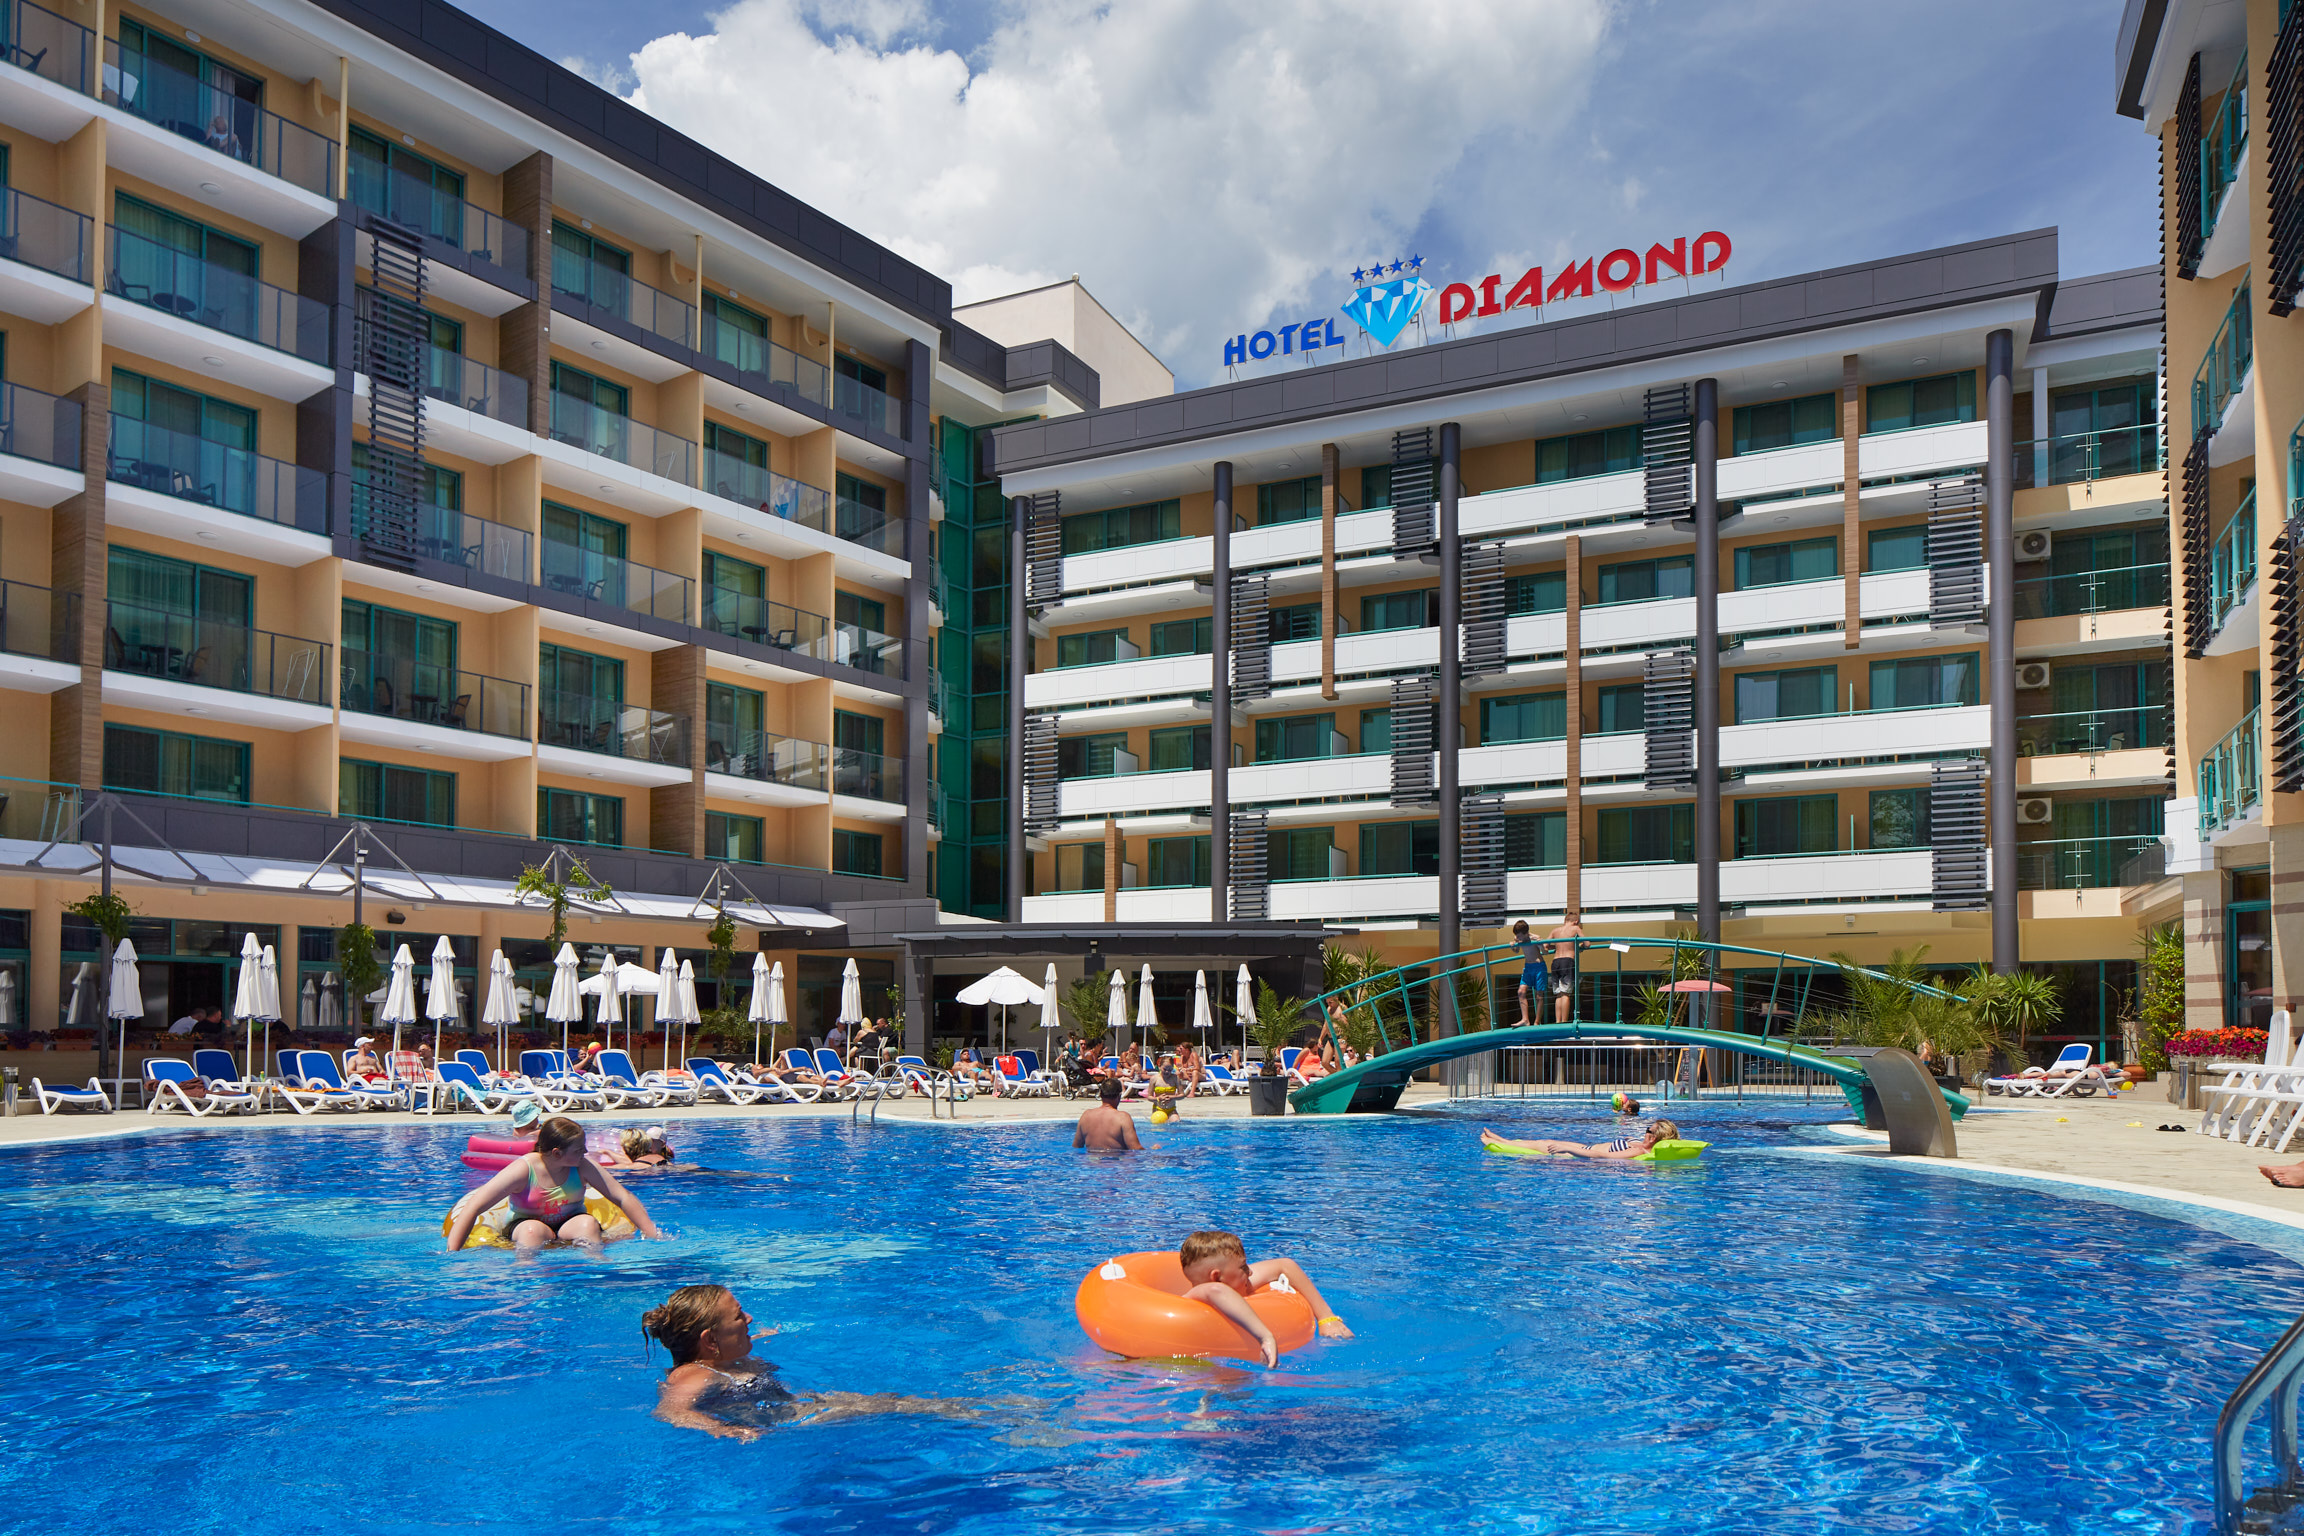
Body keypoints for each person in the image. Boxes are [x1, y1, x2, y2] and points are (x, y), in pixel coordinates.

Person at [643, 1285, 996, 1439]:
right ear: (710, 1341)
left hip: (800, 1407)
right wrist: (723, 1430)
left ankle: (990, 1412)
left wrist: (767, 1335)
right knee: (901, 1406)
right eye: (738, 1317)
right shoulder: (694, 1374)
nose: (749, 1319)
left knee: (898, 1403)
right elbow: (670, 1411)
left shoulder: (719, 1360)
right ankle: (997, 1417)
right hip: (792, 1422)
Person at [445, 1114, 662, 1251]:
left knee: (587, 1224)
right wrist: (451, 1256)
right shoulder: (524, 1169)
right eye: (579, 1149)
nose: (586, 1152)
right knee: (532, 1231)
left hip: (570, 1223)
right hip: (525, 1224)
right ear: (557, 1153)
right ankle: (526, 1278)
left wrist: (652, 1234)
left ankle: (595, 1269)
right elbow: (474, 1206)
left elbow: (622, 1197)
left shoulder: (582, 1165)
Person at [1176, 1230, 1353, 1368]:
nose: (1250, 1272)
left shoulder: (1239, 1283)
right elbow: (1217, 1291)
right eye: (1243, 1267)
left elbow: (1284, 1265)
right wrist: (1266, 1337)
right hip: (1194, 1366)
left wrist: (1326, 1317)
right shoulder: (1199, 1293)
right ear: (1216, 1277)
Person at [1480, 1117, 1682, 1160]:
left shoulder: (1638, 1150)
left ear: (1653, 1138)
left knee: (1544, 1145)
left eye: (1648, 1129)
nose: (1645, 1131)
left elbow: (1605, 1157)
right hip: (1585, 1147)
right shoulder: (1639, 1145)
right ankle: (1503, 1140)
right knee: (1544, 1141)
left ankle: (1498, 1142)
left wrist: (1569, 1150)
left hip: (1581, 1154)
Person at [1073, 1077, 1143, 1151]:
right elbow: (1135, 1148)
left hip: (1091, 1158)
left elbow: (1076, 1146)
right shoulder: (1123, 1117)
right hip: (1115, 1158)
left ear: (1100, 1094)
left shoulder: (1086, 1115)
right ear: (1119, 1096)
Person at [1509, 920, 1548, 1027]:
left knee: (1539, 995)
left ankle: (1537, 1022)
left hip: (1539, 967)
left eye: (1519, 936)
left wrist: (1540, 944)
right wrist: (1513, 946)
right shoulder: (1518, 938)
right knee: (1521, 992)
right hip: (1528, 967)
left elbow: (1545, 952)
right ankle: (1525, 1019)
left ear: (1526, 933)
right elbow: (1516, 950)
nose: (1517, 938)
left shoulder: (1535, 938)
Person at [1547, 911, 1583, 1024]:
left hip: (1556, 961)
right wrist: (1578, 946)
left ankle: (1558, 1021)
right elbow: (1587, 943)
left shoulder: (1555, 931)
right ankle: (1564, 1021)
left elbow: (1545, 945)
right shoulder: (1575, 929)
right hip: (1568, 961)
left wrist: (1557, 946)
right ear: (1576, 921)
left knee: (1558, 994)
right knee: (1566, 993)